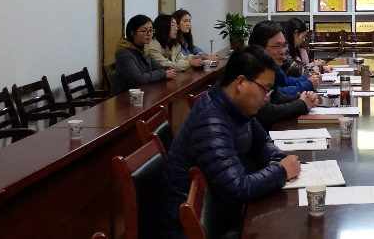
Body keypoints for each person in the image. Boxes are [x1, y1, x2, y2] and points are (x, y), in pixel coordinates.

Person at [161, 45, 301, 239]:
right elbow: (238, 188)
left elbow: (262, 142)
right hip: (194, 228)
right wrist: (281, 171)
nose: (266, 99)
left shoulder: (236, 107)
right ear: (241, 82)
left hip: (222, 212)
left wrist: (277, 159)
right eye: (265, 90)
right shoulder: (211, 122)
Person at [249, 21, 319, 130]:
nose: (283, 51)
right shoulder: (251, 69)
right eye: (277, 46)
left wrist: (300, 98)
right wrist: (301, 104)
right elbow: (266, 113)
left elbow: (275, 96)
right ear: (259, 48)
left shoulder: (271, 66)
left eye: (284, 46)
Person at [109, 14, 175, 96]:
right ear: (132, 33)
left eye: (151, 30)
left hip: (142, 93)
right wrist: (164, 74)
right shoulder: (124, 54)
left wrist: (167, 69)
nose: (149, 34)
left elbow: (155, 66)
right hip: (124, 97)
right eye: (144, 31)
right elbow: (138, 79)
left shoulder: (143, 48)